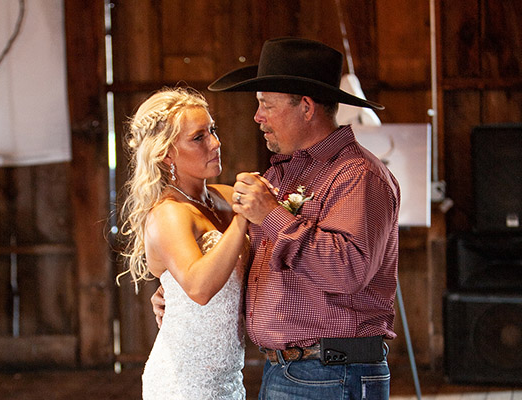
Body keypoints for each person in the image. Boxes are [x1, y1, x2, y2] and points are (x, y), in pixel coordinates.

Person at [153, 37, 401, 399]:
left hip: (332, 372)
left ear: (305, 106)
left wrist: (272, 214)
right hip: (291, 371)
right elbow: (256, 263)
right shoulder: (282, 176)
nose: (258, 117)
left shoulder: (358, 175)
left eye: (266, 105)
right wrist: (176, 295)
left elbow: (348, 271)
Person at [117, 87, 249, 399]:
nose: (215, 143)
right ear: (166, 154)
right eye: (198, 137)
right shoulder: (169, 213)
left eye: (213, 130)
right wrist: (245, 218)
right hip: (183, 383)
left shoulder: (227, 197)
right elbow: (199, 288)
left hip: (230, 378)